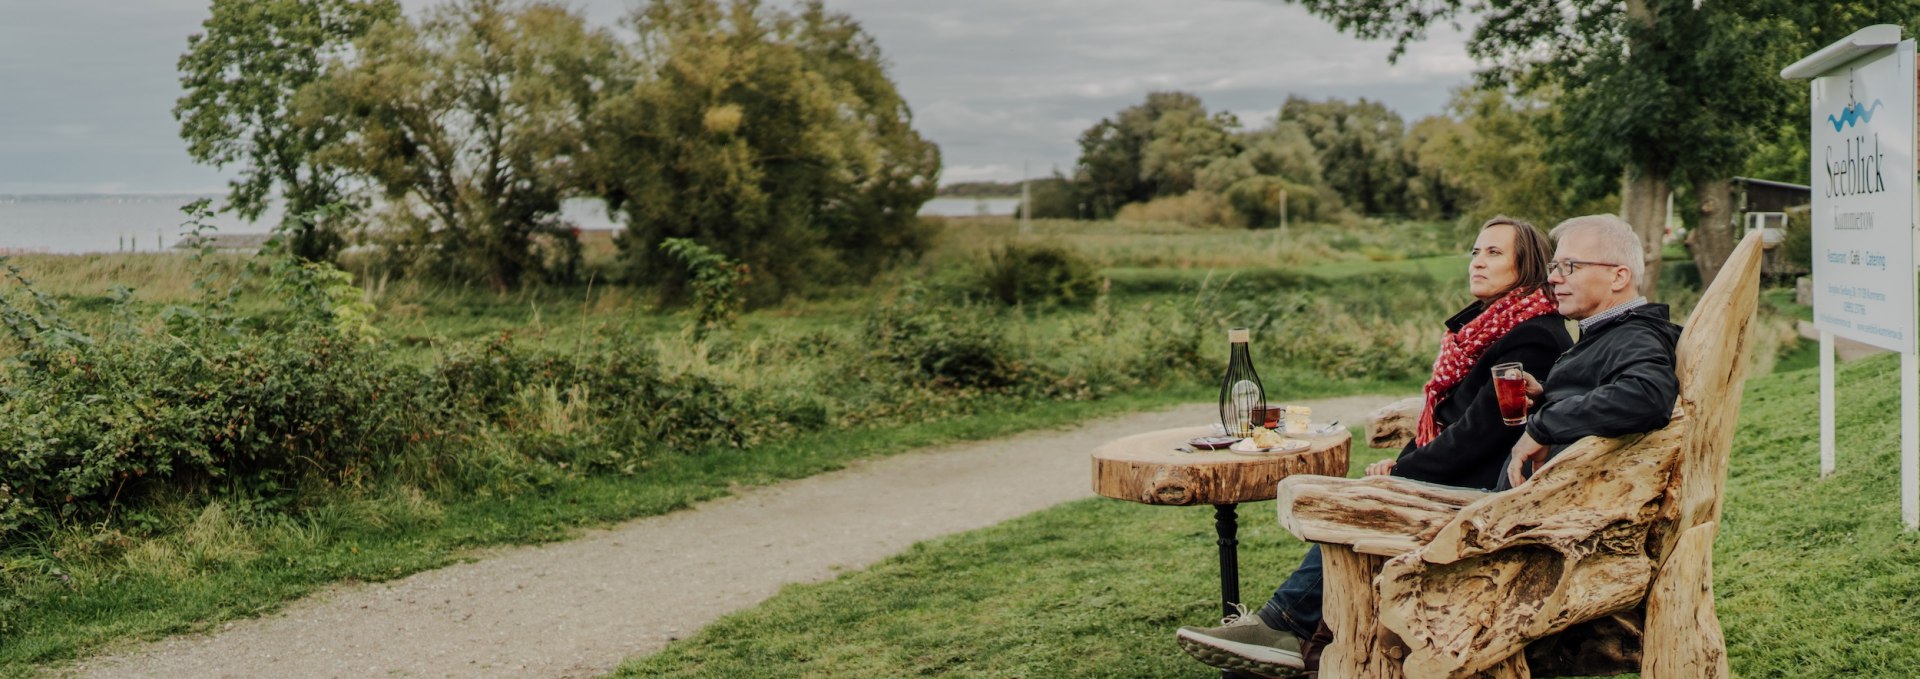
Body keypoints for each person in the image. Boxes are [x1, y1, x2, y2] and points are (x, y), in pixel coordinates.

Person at [1175, 216, 1574, 678]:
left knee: (1343, 507)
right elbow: (1453, 423)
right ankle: (1295, 648)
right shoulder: (1494, 328)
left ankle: (1281, 627)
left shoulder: (1532, 335)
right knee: (1356, 504)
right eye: (1475, 252)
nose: (1478, 262)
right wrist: (1405, 462)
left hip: (1484, 494)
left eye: (1494, 253)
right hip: (1461, 476)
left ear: (1528, 266)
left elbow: (1476, 436)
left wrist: (1405, 472)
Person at [1501, 214, 1681, 489]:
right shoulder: (1610, 332)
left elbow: (1648, 394)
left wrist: (1545, 424)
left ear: (1618, 277)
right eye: (1554, 266)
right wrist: (1546, 394)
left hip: (1549, 522)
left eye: (1569, 266)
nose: (1552, 278)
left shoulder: (1635, 335)